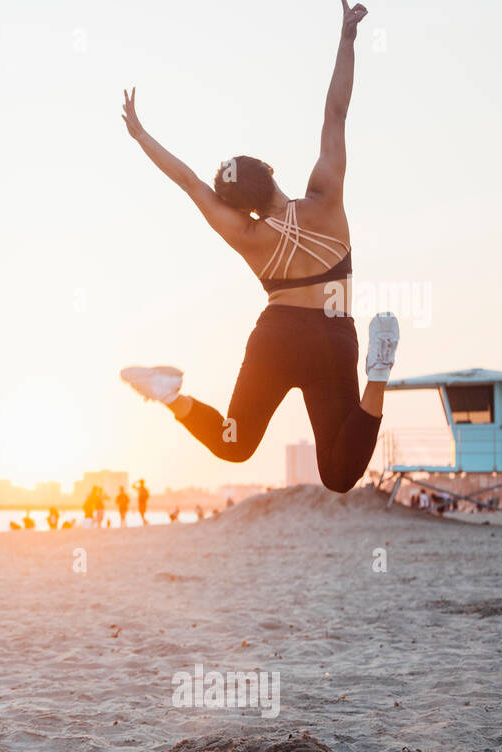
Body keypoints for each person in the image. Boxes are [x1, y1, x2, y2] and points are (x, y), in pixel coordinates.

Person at [117, 1, 398, 495]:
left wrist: (141, 135)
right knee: (338, 475)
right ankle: (379, 373)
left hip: (277, 336)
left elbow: (187, 182)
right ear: (268, 172)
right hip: (333, 336)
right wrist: (347, 38)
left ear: (239, 205)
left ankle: (169, 395)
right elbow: (337, 111)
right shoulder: (325, 197)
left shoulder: (247, 236)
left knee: (234, 442)